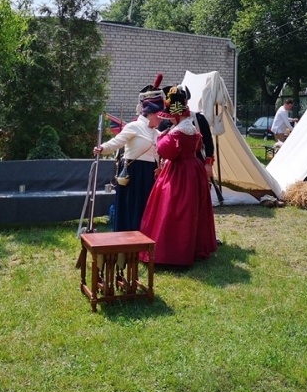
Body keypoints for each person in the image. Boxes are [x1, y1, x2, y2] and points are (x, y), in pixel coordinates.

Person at [139, 86, 217, 266]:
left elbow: (167, 151)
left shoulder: (180, 129)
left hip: (179, 171)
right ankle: (192, 247)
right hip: (193, 169)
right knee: (191, 209)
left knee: (173, 207)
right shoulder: (188, 126)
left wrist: (162, 138)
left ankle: (173, 250)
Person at [93, 75, 164, 232]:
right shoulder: (134, 126)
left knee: (145, 206)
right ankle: (127, 234)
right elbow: (117, 142)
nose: (161, 119)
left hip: (149, 174)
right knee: (131, 205)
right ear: (151, 113)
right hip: (133, 172)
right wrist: (102, 148)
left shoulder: (157, 133)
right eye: (159, 115)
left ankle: (143, 235)